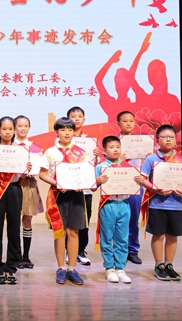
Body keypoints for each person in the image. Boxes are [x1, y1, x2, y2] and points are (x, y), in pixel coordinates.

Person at [39, 117, 87, 285]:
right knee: (60, 232)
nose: (67, 133)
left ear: (74, 132)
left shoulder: (81, 152)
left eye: (70, 129)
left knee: (74, 232)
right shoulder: (50, 152)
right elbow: (43, 174)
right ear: (56, 132)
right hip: (58, 196)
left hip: (76, 196)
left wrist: (82, 183)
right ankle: (61, 268)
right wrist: (57, 183)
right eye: (63, 129)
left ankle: (72, 269)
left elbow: (85, 173)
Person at [0, 116, 31, 285]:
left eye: (10, 129)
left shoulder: (21, 150)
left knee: (13, 228)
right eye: (4, 129)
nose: (8, 132)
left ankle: (11, 267)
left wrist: (26, 170)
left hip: (14, 189)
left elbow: (22, 174)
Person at [138, 125, 182, 281]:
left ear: (176, 140)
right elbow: (142, 179)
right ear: (157, 140)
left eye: (171, 137)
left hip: (176, 204)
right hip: (157, 204)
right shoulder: (151, 159)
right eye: (164, 137)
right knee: (158, 235)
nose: (168, 140)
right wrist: (155, 189)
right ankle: (159, 265)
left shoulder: (180, 160)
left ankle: (169, 264)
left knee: (173, 236)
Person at [95, 136, 133, 284]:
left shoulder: (127, 166)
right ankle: (109, 268)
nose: (115, 150)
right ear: (104, 150)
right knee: (107, 238)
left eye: (118, 147)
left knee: (122, 238)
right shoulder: (100, 167)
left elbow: (134, 184)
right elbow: (92, 187)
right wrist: (98, 180)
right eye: (111, 147)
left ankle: (120, 268)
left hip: (124, 204)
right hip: (108, 204)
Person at [67, 106, 99, 266]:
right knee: (69, 221)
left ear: (84, 120)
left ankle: (81, 250)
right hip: (68, 187)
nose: (76, 119)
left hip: (85, 187)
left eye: (79, 116)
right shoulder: (64, 139)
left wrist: (96, 157)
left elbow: (93, 165)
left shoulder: (89, 141)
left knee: (84, 220)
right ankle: (68, 250)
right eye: (73, 116)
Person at [14, 115, 44, 269]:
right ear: (14, 127)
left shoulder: (36, 149)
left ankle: (26, 256)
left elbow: (43, 168)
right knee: (13, 222)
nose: (23, 129)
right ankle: (15, 256)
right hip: (13, 185)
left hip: (29, 185)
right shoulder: (9, 146)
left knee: (27, 221)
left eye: (26, 126)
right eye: (20, 126)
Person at [117, 110, 145, 265]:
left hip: (135, 183)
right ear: (118, 124)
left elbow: (146, 165)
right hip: (117, 184)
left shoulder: (142, 142)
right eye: (125, 121)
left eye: (131, 121)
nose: (128, 123)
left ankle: (132, 250)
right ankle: (118, 250)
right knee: (117, 219)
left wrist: (147, 158)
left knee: (133, 218)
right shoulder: (113, 142)